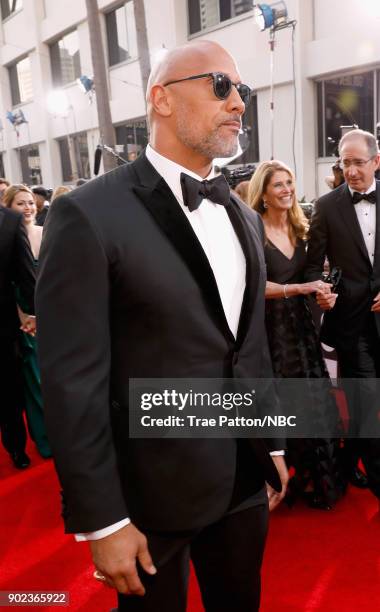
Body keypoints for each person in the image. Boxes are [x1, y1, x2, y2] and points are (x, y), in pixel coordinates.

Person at [36, 40, 288, 612]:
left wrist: (271, 442)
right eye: (220, 86)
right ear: (161, 100)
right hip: (148, 494)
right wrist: (102, 522)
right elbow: (72, 381)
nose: (239, 104)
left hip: (244, 479)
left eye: (241, 92)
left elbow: (249, 348)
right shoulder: (88, 214)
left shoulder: (242, 214)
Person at [248, 160, 344, 509]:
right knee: (278, 398)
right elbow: (252, 286)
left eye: (290, 182)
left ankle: (311, 479)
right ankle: (276, 478)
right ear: (264, 193)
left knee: (309, 397)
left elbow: (319, 274)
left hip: (302, 329)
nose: (287, 189)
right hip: (269, 330)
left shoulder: (302, 229)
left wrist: (325, 294)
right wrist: (300, 287)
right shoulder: (253, 230)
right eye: (278, 185)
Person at [306, 128, 380, 502]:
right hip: (352, 324)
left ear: (376, 161)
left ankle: (347, 461)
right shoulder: (327, 206)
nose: (351, 170)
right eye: (345, 162)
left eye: (358, 162)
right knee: (367, 398)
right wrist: (323, 291)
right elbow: (310, 267)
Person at [3, 184, 51, 458]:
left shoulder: (47, 233)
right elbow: (10, 282)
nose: (28, 208)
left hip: (49, 312)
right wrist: (23, 315)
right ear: (8, 208)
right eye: (20, 203)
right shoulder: (7, 236)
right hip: (22, 317)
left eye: (31, 202)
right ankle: (44, 439)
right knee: (34, 379)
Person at [0, 201, 36, 469]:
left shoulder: (10, 221)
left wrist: (36, 312)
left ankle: (15, 446)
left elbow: (25, 272)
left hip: (2, 325)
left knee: (9, 390)